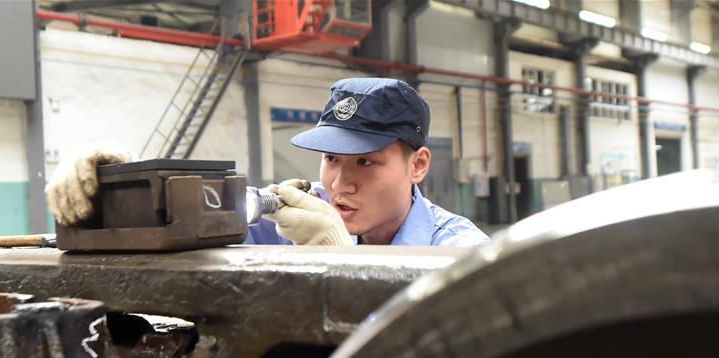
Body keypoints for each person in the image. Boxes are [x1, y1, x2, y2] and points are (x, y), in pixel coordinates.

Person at [46, 77, 489, 248]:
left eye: (366, 163)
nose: (340, 184)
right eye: (332, 159)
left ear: (418, 165)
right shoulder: (295, 219)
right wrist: (113, 179)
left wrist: (339, 265)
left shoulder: (458, 251)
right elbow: (184, 233)